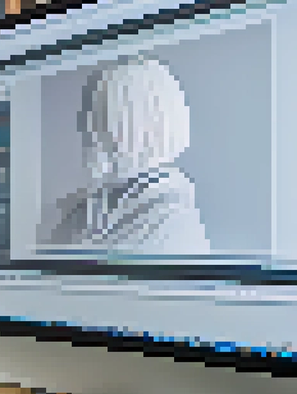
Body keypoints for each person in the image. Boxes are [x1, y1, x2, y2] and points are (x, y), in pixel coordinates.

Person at [39, 56, 211, 254]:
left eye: (111, 120)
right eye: (97, 118)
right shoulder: (85, 209)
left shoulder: (172, 225)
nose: (95, 133)